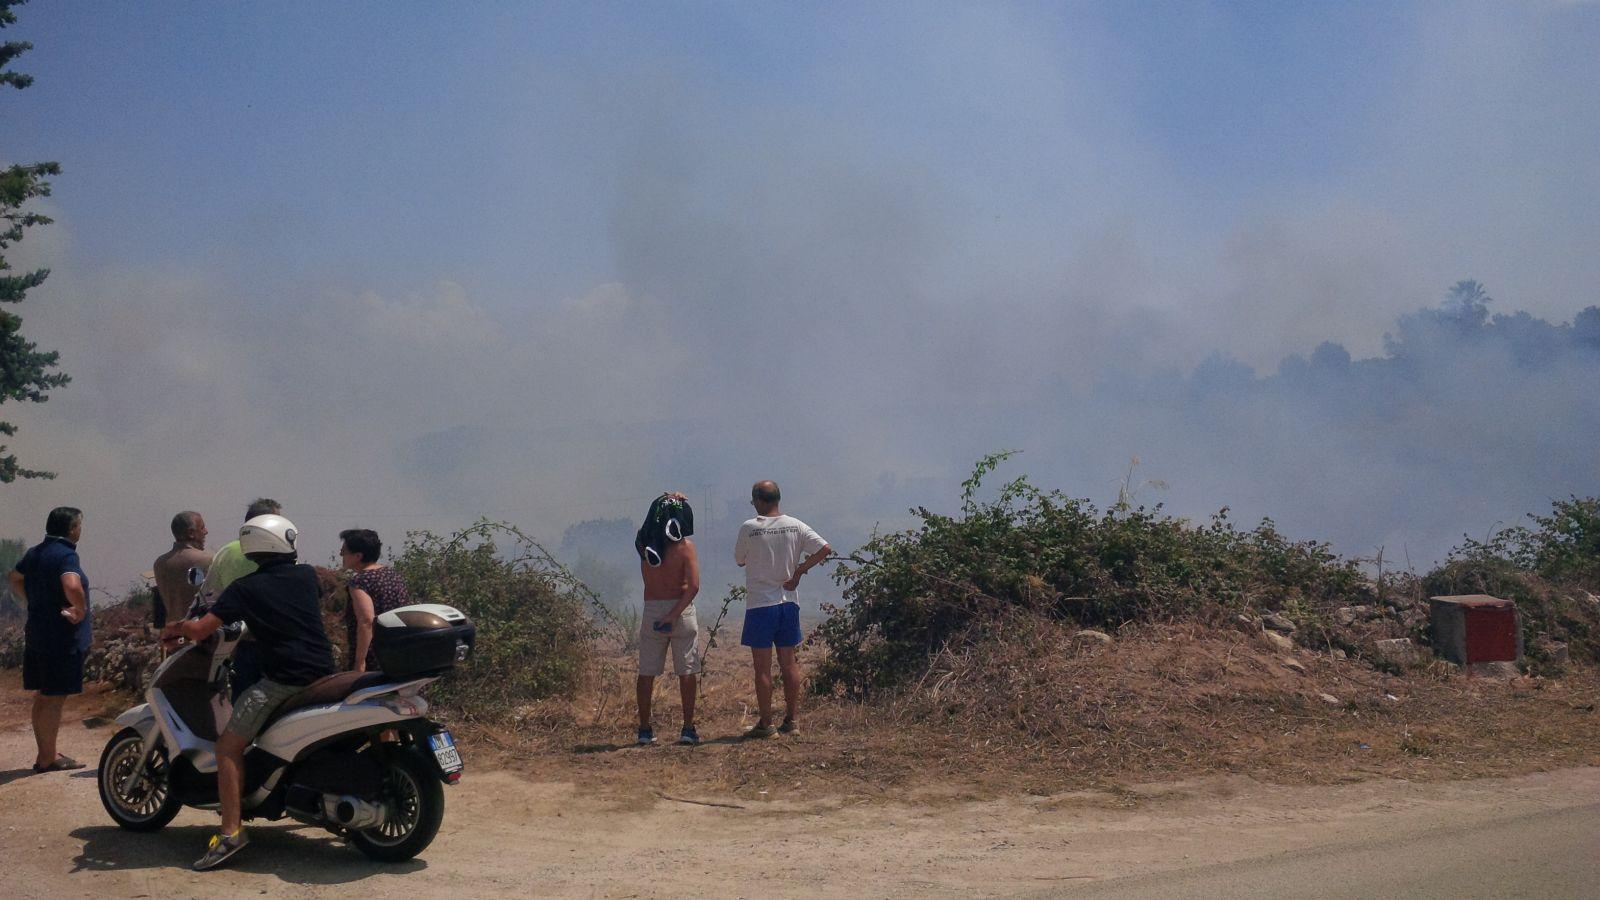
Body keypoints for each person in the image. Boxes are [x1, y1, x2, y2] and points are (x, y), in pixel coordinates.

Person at [162, 514, 336, 871]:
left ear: (252, 546)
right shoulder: (306, 577)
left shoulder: (246, 588)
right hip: (321, 672)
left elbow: (200, 630)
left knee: (227, 747)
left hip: (284, 678)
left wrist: (176, 626)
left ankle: (230, 833)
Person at [733, 481, 830, 738]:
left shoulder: (750, 528)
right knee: (789, 664)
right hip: (789, 603)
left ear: (760, 501)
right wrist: (799, 570)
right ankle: (793, 720)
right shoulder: (796, 525)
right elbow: (824, 548)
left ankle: (766, 723)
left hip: (760, 605)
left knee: (762, 668)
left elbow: (740, 559)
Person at [7, 507, 91, 773]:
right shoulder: (66, 554)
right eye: (79, 525)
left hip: (37, 633)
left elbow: (14, 577)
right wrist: (80, 609)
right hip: (61, 637)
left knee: (43, 696)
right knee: (54, 697)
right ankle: (48, 758)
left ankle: (46, 753)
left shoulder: (35, 552)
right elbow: (72, 584)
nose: (81, 530)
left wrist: (31, 601)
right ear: (71, 529)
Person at [633, 493, 701, 746]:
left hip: (652, 609)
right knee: (686, 671)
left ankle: (644, 730)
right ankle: (687, 728)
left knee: (647, 673)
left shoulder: (643, 542)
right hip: (681, 611)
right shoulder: (685, 547)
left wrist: (664, 498)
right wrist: (674, 615)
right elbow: (693, 586)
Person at [198, 498, 282, 700]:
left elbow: (209, 596)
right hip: (277, 642)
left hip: (241, 642)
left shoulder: (225, 553)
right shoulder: (281, 554)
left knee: (242, 702)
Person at [338, 528, 409, 672]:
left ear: (358, 556)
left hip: (374, 655)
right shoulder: (393, 574)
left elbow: (366, 621)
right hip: (400, 650)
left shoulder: (360, 582)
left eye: (344, 551)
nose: (341, 555)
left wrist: (360, 662)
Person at [151, 511, 213, 628]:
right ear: (191, 533)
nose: (206, 532)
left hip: (174, 633)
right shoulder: (206, 559)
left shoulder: (159, 563)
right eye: (202, 528)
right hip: (201, 631)